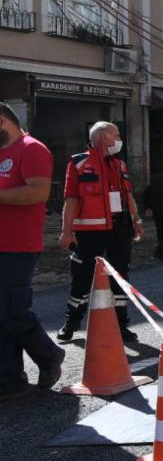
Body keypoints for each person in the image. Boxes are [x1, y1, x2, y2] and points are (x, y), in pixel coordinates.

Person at [57, 121, 144, 343]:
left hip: (120, 228)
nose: (119, 140)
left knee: (120, 277)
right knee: (81, 277)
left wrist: (136, 219)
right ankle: (72, 322)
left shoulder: (120, 165)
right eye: (116, 135)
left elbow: (128, 196)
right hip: (90, 231)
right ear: (104, 137)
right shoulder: (78, 163)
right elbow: (72, 199)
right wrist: (66, 232)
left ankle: (121, 324)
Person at [0, 103, 63, 399]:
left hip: (17, 246)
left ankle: (49, 355)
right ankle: (9, 380)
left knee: (13, 311)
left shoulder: (32, 148)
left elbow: (38, 191)